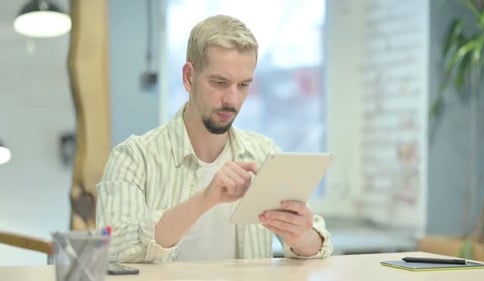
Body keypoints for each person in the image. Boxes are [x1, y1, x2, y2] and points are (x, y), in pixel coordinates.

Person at [96, 14, 332, 263]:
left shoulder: (264, 153)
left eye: (243, 85)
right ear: (189, 77)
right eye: (220, 82)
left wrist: (302, 236)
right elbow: (113, 250)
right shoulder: (134, 157)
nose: (232, 99)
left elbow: (317, 247)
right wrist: (204, 200)